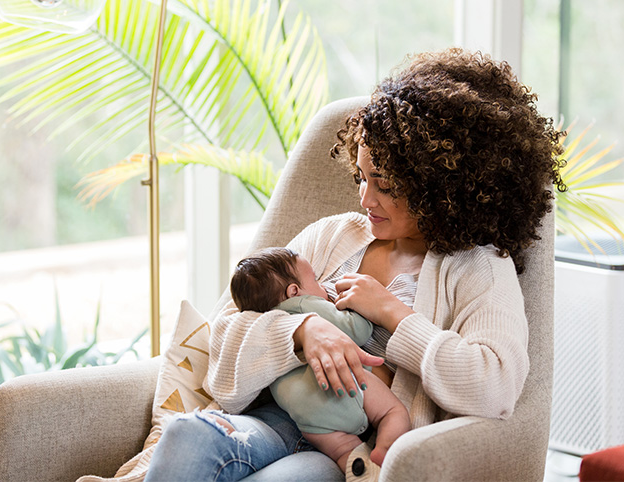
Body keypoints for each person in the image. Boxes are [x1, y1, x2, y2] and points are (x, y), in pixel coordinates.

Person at [145, 47, 566, 482]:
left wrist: (392, 314)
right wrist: (302, 331)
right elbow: (225, 333)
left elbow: (494, 385)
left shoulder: (477, 267)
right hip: (271, 417)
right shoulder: (333, 235)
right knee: (185, 435)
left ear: (440, 186)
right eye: (363, 177)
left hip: (347, 451)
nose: (365, 200)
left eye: (384, 185)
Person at [229, 247, 411, 474]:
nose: (323, 286)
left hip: (305, 416)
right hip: (344, 387)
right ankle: (385, 450)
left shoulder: (265, 322)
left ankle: (362, 472)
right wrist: (359, 308)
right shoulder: (306, 305)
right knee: (393, 413)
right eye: (315, 279)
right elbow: (357, 331)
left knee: (344, 451)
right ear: (294, 291)